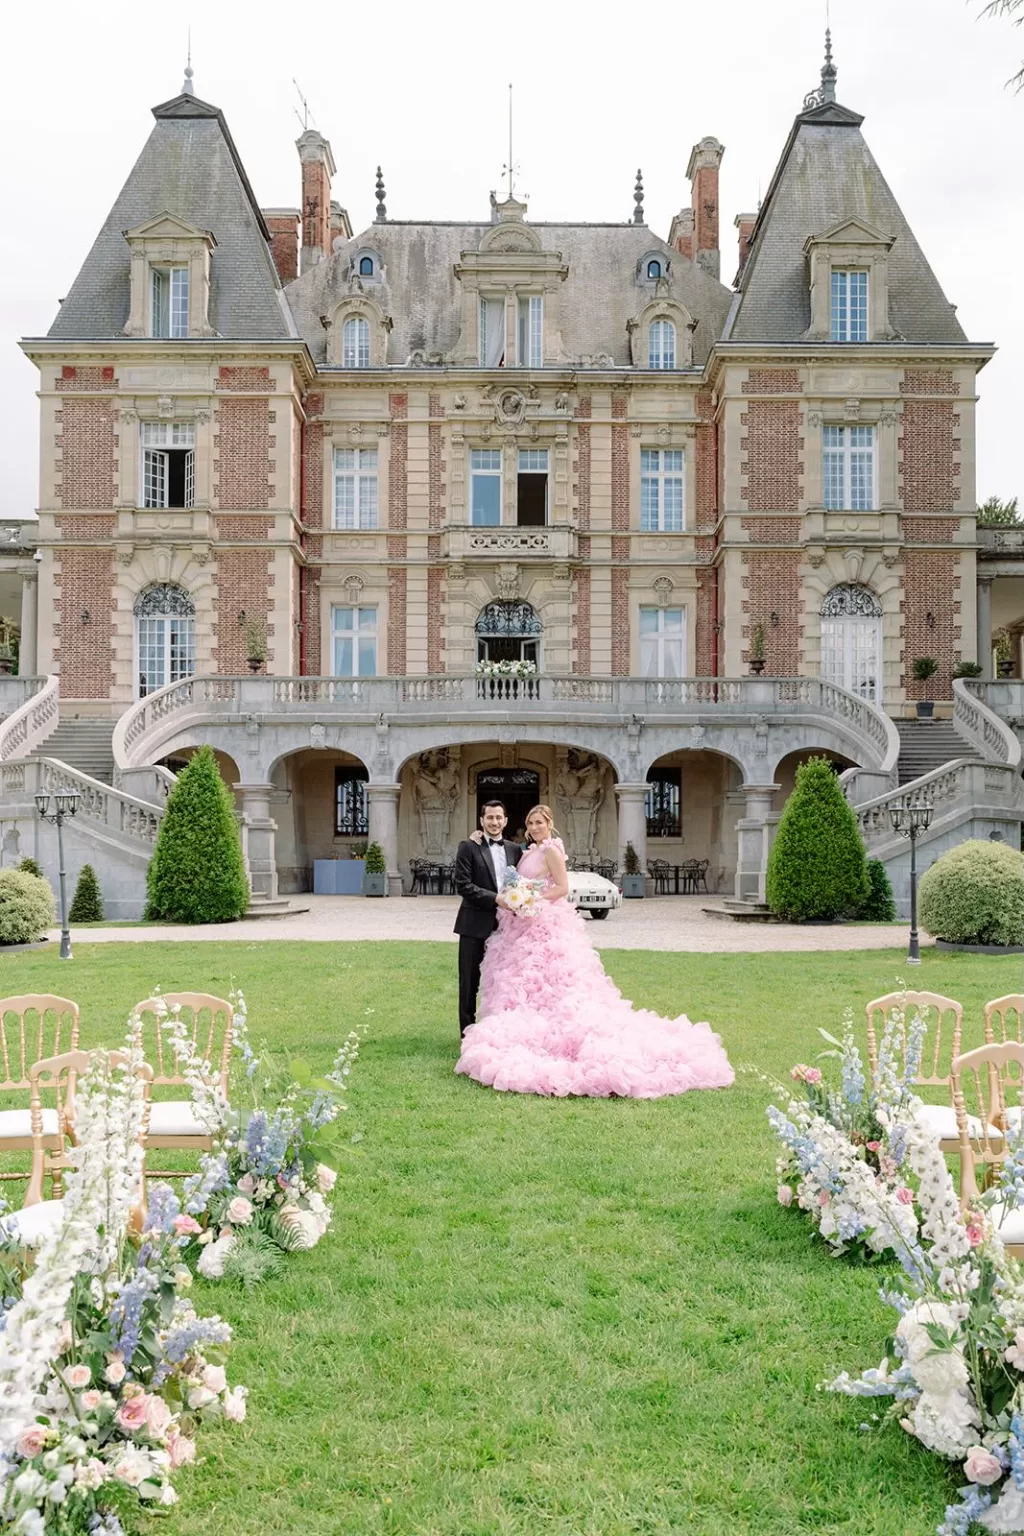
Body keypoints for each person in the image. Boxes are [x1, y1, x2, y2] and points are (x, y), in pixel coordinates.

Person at [455, 804, 734, 1098]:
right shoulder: (517, 850)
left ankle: (549, 1031)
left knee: (551, 979)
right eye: (531, 823)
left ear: (548, 823)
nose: (535, 827)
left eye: (539, 822)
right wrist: (514, 895)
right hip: (509, 925)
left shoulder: (546, 850)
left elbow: (561, 888)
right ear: (486, 821)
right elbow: (477, 881)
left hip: (540, 920)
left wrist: (529, 899)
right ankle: (473, 1033)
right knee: (498, 980)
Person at [452, 800, 523, 1039]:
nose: (494, 822)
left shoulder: (515, 850)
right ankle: (467, 1034)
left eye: (498, 818)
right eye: (489, 818)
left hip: (506, 928)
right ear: (481, 821)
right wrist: (496, 899)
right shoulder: (468, 846)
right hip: (473, 925)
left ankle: (498, 1031)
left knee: (503, 981)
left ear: (505, 820)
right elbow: (463, 885)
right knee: (469, 981)